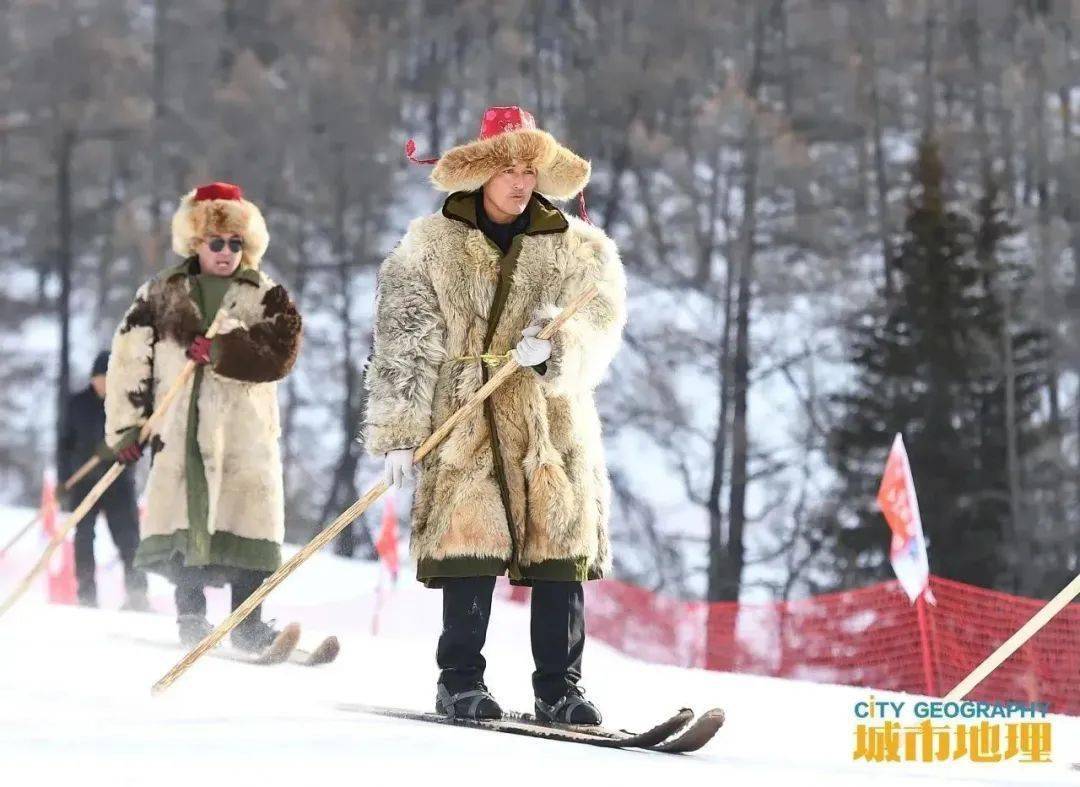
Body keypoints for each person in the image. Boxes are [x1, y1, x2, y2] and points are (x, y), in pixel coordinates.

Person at [364, 107, 627, 724]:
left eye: (530, 169)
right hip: (465, 415)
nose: (519, 182)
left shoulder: (579, 246)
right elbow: (403, 339)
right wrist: (399, 434)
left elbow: (601, 321)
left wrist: (554, 350)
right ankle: (459, 681)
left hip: (549, 419)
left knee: (560, 550)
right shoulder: (428, 246)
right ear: (481, 170)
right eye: (507, 168)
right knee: (468, 546)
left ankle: (560, 688)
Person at [103, 182, 303, 651]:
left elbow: (282, 351)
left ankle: (249, 623)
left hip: (244, 434)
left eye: (237, 243)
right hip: (179, 432)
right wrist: (127, 427)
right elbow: (130, 361)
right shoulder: (161, 292)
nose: (227, 252)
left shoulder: (264, 293)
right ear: (196, 242)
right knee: (185, 520)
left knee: (248, 522)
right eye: (217, 242)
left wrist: (222, 349)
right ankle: (190, 617)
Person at [58, 350, 148, 610]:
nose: (104, 383)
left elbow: (141, 439)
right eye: (100, 378)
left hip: (117, 480)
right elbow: (64, 445)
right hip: (83, 482)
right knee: (84, 537)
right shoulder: (77, 404)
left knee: (128, 537)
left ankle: (137, 593)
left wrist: (123, 448)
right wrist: (64, 482)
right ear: (92, 379)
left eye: (109, 378)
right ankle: (86, 595)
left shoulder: (128, 404)